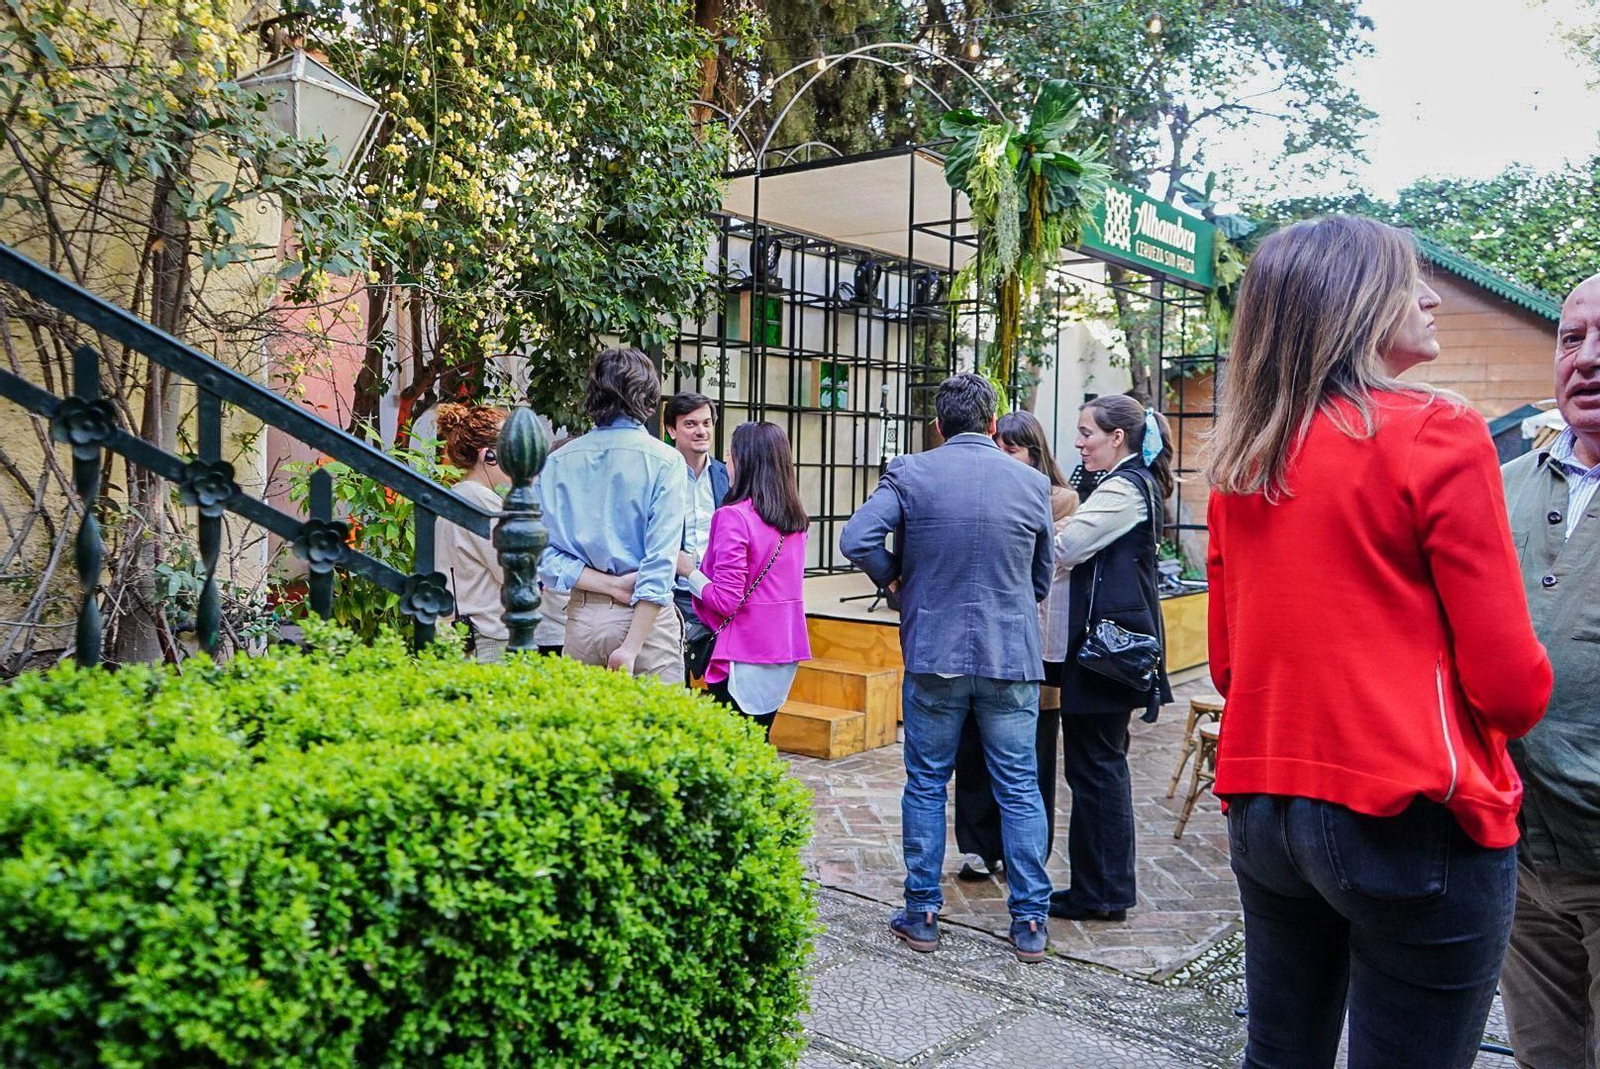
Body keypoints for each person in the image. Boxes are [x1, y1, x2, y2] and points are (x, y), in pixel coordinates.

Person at [1206, 215, 1552, 1069]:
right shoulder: (1437, 431)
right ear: (1354, 304)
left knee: (1279, 1058)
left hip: (1267, 812)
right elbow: (1512, 687)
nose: (1432, 297)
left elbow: (1227, 666)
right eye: (1410, 281)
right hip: (1411, 818)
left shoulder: (1242, 462)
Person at [840, 372, 1055, 964]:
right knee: (1018, 787)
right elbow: (1041, 576)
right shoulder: (1032, 483)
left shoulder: (912, 471)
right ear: (992, 425)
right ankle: (1031, 922)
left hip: (933, 651)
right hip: (1010, 654)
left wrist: (894, 578)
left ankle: (923, 911)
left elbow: (857, 537)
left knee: (927, 781)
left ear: (939, 425)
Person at [1498, 271, 1600, 1069]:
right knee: (1544, 1057)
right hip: (1515, 854)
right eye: (1573, 339)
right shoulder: (1498, 488)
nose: (1587, 359)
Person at [1046, 394, 1174, 923]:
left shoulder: (1124, 488)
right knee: (1097, 767)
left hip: (1107, 654)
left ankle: (1100, 893)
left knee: (1096, 769)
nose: (1078, 443)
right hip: (1109, 651)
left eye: (1086, 433)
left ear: (1117, 437)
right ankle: (1101, 887)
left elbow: (1065, 547)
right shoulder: (1124, 484)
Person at [952, 410, 1076, 880]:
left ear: (1034, 452)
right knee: (971, 744)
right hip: (975, 638)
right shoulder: (979, 489)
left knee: (1032, 753)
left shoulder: (1061, 499)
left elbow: (1046, 565)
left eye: (1014, 448)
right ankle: (978, 845)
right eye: (998, 445)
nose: (1003, 456)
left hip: (1035, 642)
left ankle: (1024, 848)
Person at [537, 348, 688, 681]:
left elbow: (540, 553)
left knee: (584, 728)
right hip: (645, 622)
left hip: (582, 619)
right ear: (648, 397)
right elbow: (661, 558)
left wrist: (606, 585)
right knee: (660, 730)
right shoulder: (665, 460)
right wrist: (631, 647)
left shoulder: (558, 461)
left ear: (592, 395)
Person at [435, 405, 629, 661]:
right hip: (488, 636)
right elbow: (520, 571)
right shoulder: (478, 501)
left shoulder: (465, 495)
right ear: (488, 455)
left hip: (475, 630)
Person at [682, 421, 810, 738]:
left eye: (730, 454)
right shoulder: (796, 521)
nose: (727, 462)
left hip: (742, 652)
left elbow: (726, 601)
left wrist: (688, 572)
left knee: (735, 748)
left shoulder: (732, 517)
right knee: (759, 741)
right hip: (784, 649)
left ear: (744, 460)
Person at [664, 392, 729, 678]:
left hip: (715, 594)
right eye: (690, 424)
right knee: (674, 677)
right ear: (671, 430)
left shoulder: (726, 476)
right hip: (672, 593)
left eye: (706, 423)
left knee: (718, 681)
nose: (701, 431)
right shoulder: (660, 474)